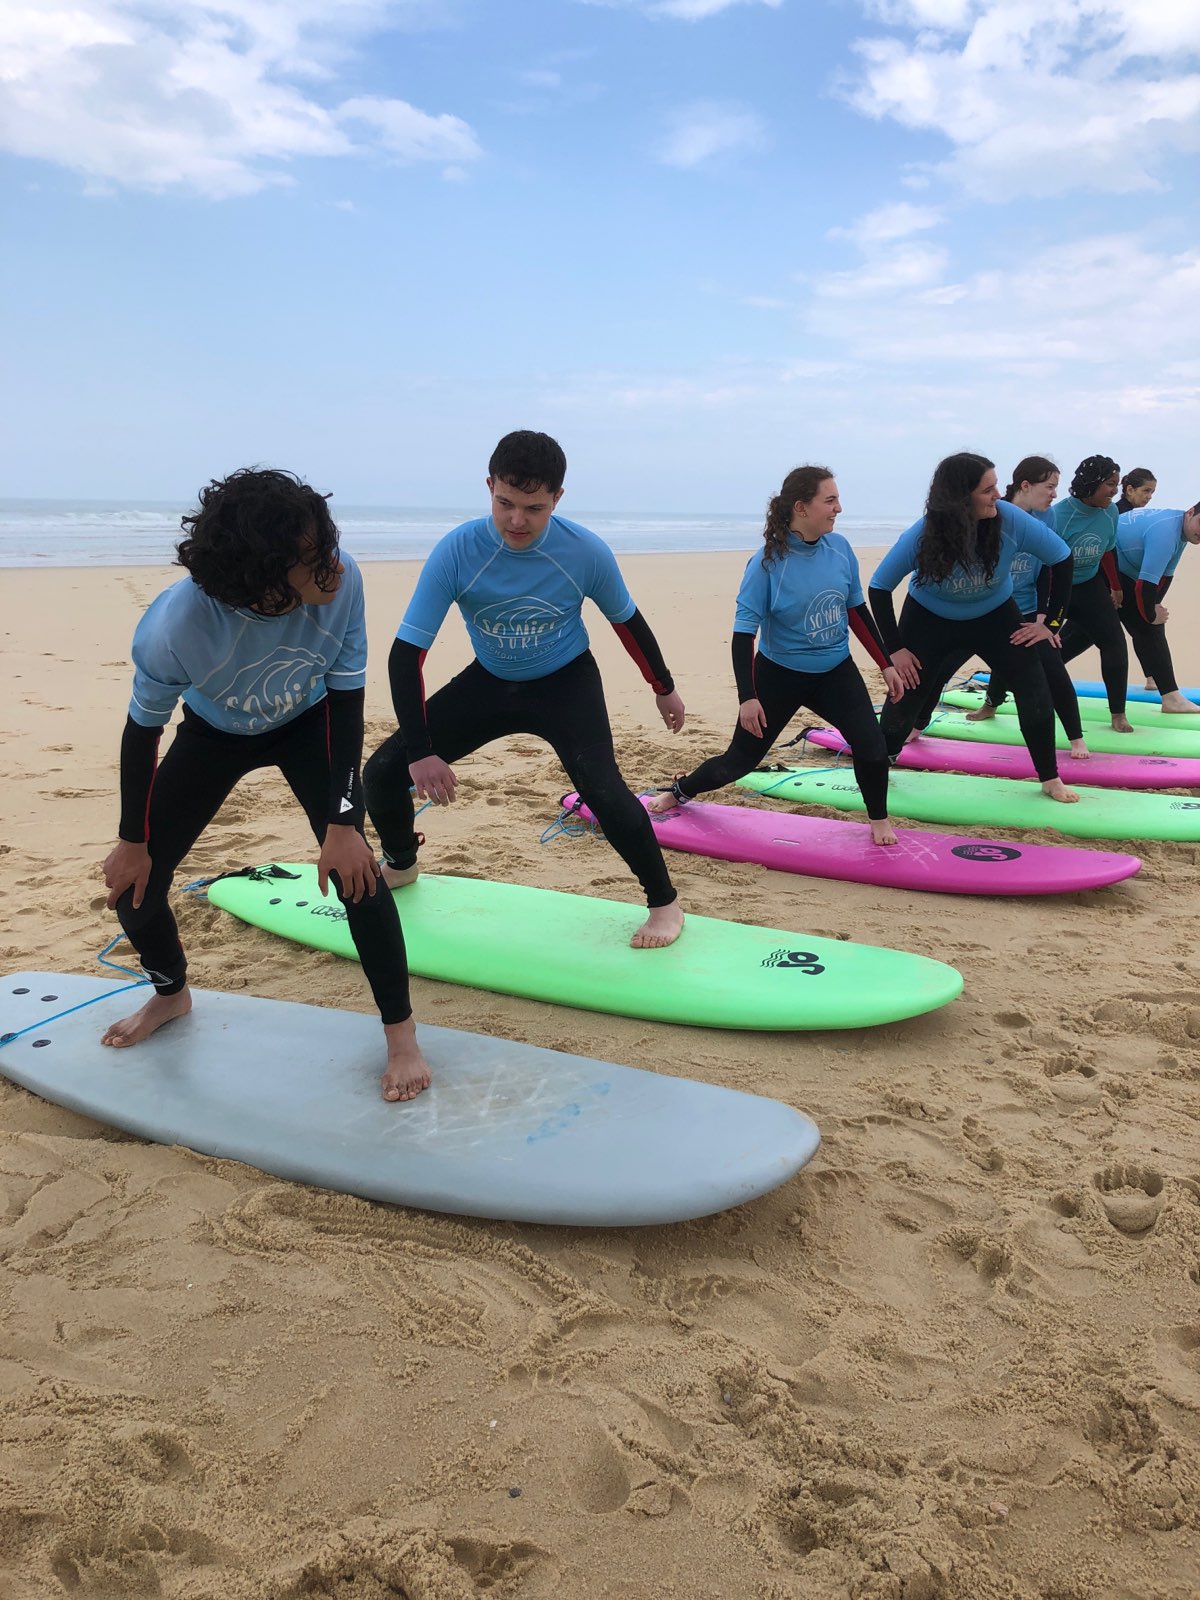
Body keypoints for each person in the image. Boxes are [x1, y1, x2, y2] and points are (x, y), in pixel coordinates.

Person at [100, 468, 429, 1104]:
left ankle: (402, 1035)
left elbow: (347, 696)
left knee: (358, 873)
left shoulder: (344, 579)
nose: (332, 570)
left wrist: (342, 824)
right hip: (215, 733)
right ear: (259, 583)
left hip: (311, 724)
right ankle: (171, 994)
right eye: (311, 563)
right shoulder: (175, 629)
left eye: (328, 548)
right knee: (133, 891)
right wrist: (131, 838)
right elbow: (142, 732)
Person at [363, 430, 686, 949]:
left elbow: (627, 623)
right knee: (381, 773)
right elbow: (406, 655)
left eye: (533, 508)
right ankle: (401, 864)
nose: (516, 521)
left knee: (603, 790)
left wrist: (663, 687)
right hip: (490, 682)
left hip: (565, 682)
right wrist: (421, 751)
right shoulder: (458, 551)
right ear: (489, 486)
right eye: (504, 503)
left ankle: (665, 904)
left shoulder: (583, 552)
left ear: (558, 498)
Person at [647, 466, 902, 844]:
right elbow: (742, 636)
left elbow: (855, 611)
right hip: (779, 675)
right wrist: (747, 698)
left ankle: (878, 818)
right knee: (739, 762)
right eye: (829, 500)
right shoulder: (767, 565)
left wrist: (885, 663)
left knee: (872, 745)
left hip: (835, 670)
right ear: (801, 507)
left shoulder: (841, 549)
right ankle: (681, 791)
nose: (839, 508)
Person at [867, 452, 1079, 804]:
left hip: (995, 615)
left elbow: (1062, 557)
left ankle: (1050, 778)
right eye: (988, 489)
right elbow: (879, 587)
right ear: (960, 497)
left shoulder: (1011, 519)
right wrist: (895, 650)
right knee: (907, 697)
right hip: (929, 618)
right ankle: (882, 765)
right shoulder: (924, 533)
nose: (999, 494)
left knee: (1034, 688)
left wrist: (1051, 622)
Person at [961, 455, 1089, 758]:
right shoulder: (993, 512)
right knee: (956, 664)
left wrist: (1046, 618)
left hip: (1029, 608)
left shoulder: (1047, 518)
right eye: (1050, 486)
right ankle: (920, 724)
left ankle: (1076, 738)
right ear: (1025, 485)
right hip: (991, 608)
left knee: (1052, 668)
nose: (1055, 494)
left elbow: (1049, 565)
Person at [1053, 455, 1133, 733]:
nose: (1115, 491)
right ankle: (991, 704)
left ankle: (1118, 714)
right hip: (1056, 590)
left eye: (1117, 485)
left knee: (1114, 644)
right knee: (1030, 647)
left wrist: (1116, 586)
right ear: (1091, 484)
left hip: (1088, 586)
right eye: (1110, 484)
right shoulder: (1059, 515)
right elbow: (1042, 561)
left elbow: (1108, 550)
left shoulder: (1110, 512)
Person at [1115, 500, 1200, 713]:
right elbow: (1144, 586)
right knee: (1149, 626)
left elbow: (1166, 576)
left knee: (1090, 629)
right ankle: (1171, 697)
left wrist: (1155, 606)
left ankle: (1039, 674)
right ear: (1190, 512)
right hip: (1107, 564)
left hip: (1122, 569)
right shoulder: (1166, 533)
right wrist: (1152, 614)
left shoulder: (1181, 530)